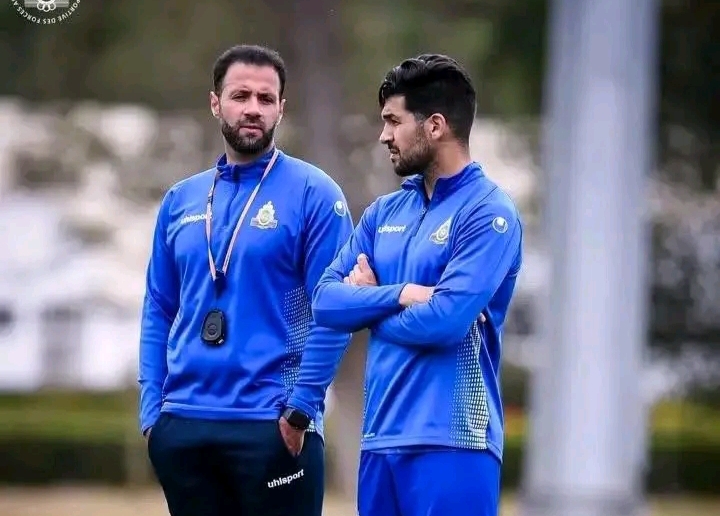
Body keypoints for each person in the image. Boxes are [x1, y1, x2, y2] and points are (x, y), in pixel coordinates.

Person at [138, 44, 353, 516]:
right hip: (184, 426)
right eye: (240, 96)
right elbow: (158, 306)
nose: (253, 108)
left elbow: (335, 311)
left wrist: (300, 411)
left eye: (265, 98)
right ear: (216, 103)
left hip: (274, 426)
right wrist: (153, 412)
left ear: (281, 108)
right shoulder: (181, 200)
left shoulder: (315, 194)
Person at [311, 54, 523, 516]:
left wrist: (367, 306)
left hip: (454, 443)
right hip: (379, 440)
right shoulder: (382, 213)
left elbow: (445, 321)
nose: (383, 135)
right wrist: (401, 294)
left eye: (393, 121)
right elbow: (324, 302)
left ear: (435, 126)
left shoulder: (489, 213)